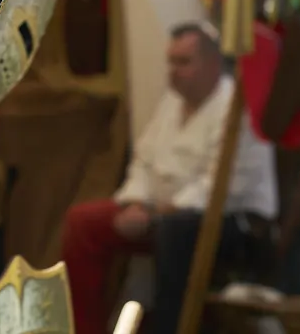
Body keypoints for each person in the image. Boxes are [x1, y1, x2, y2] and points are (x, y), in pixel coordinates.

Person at [61, 21, 277, 334]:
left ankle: (170, 328)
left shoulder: (235, 109)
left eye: (184, 62)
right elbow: (145, 161)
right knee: (83, 223)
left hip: (229, 224)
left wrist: (154, 213)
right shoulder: (172, 102)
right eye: (171, 61)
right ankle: (84, 328)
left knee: (174, 232)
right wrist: (135, 202)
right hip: (158, 213)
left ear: (212, 63)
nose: (174, 71)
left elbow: (216, 188)